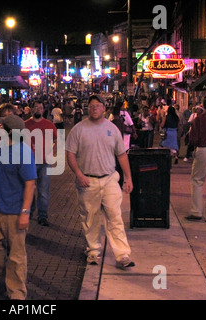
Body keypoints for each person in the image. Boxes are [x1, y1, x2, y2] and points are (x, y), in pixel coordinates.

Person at [66, 94, 135, 270]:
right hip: (87, 181)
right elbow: (70, 154)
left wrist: (128, 178)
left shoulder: (112, 129)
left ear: (104, 108)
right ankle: (93, 251)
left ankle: (122, 255)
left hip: (110, 179)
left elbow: (121, 154)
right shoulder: (78, 129)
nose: (95, 108)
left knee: (115, 217)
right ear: (87, 108)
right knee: (90, 218)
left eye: (98, 105)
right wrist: (79, 174)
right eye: (91, 106)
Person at [0, 114, 37, 300]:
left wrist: (25, 213)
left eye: (1, 126)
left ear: (9, 132)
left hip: (15, 211)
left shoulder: (24, 152)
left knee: (17, 255)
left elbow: (30, 184)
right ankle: (2, 271)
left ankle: (17, 294)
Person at [25, 100, 58, 226]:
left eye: (40, 108)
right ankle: (30, 211)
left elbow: (56, 139)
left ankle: (42, 215)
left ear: (43, 110)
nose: (38, 109)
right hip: (29, 162)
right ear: (32, 109)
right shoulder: (25, 124)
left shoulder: (49, 125)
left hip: (45, 162)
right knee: (30, 189)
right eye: (36, 107)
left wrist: (52, 152)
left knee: (43, 190)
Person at [186, 95, 206, 221]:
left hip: (203, 148)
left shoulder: (199, 120)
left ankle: (197, 211)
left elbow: (193, 138)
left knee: (197, 180)